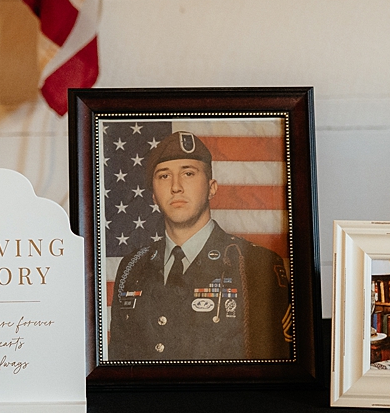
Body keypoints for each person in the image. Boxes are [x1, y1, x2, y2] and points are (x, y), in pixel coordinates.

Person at [109, 132, 293, 361]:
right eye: (164, 176)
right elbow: (119, 362)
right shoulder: (132, 267)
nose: (176, 187)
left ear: (212, 187)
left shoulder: (255, 263)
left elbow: (276, 366)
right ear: (154, 196)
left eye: (188, 173)